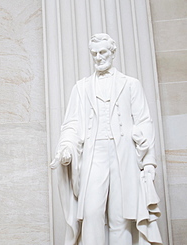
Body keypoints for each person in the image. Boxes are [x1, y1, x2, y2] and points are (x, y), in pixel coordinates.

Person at [50, 33, 161, 245]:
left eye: (102, 52)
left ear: (113, 52)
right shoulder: (81, 88)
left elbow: (144, 121)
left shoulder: (131, 84)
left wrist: (149, 162)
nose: (98, 57)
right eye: (94, 54)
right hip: (94, 154)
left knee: (121, 216)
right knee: (91, 213)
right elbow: (71, 123)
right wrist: (66, 147)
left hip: (125, 154)